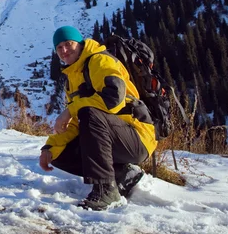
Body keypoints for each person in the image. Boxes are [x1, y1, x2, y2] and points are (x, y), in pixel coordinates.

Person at [39, 26, 157, 210]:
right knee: (58, 153)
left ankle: (106, 190)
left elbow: (113, 99)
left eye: (68, 44)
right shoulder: (73, 77)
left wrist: (70, 110)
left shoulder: (99, 60)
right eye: (59, 47)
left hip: (136, 136)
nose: (64, 50)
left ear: (79, 43)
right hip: (113, 136)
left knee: (89, 112)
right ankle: (121, 173)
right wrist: (50, 146)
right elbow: (78, 123)